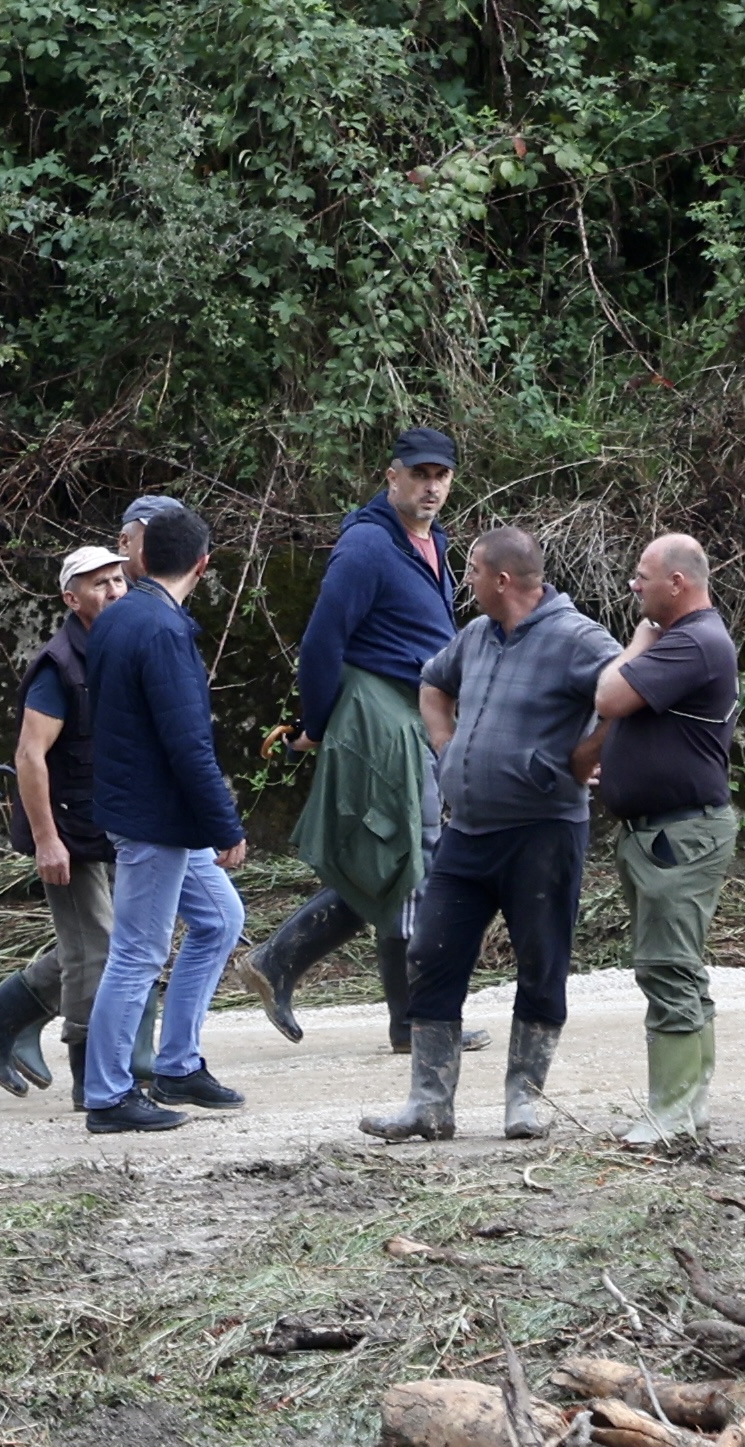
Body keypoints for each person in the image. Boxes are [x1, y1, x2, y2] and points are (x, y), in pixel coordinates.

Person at [362, 517, 621, 1143]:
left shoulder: (578, 638)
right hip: (469, 833)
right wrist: (446, 747)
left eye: (473, 572)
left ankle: (524, 1102)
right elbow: (432, 682)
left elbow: (629, 695)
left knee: (541, 961)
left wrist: (586, 756)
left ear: (502, 579)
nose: (466, 583)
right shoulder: (476, 635)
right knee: (431, 952)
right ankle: (429, 1105)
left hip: (543, 833)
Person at [248, 424, 460, 1032]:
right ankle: (408, 1018)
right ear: (391, 477)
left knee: (399, 859)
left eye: (440, 476)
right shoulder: (368, 545)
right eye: (418, 475)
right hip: (382, 719)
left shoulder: (433, 541)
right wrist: (316, 724)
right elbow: (322, 641)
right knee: (409, 856)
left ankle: (286, 964)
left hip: (417, 716)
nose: (430, 487)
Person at [67, 492, 248, 1132]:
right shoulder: (163, 630)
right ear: (203, 563)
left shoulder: (121, 615)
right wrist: (225, 825)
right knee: (138, 954)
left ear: (140, 558)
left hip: (147, 810)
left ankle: (177, 1065)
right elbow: (187, 743)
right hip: (154, 818)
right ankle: (108, 1095)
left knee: (221, 919)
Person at [0, 542, 126, 1099]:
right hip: (68, 829)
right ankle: (91, 1079)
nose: (114, 591)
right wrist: (47, 840)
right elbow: (29, 756)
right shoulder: (59, 666)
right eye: (100, 584)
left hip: (103, 821)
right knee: (95, 947)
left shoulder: (114, 648)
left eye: (118, 580)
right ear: (72, 599)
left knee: (106, 940)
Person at [590, 531, 745, 1144]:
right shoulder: (693, 640)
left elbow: (610, 695)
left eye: (642, 575)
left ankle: (672, 1113)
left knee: (667, 967)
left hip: (678, 836)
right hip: (665, 834)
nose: (634, 585)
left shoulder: (692, 641)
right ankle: (688, 1105)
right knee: (676, 966)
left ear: (676, 583)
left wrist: (639, 641)